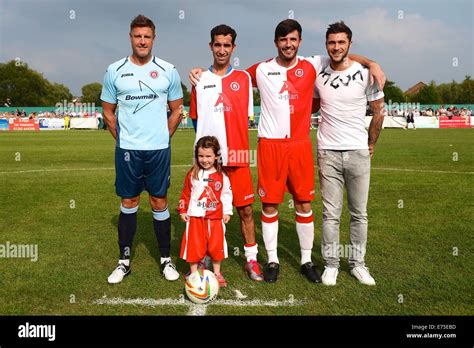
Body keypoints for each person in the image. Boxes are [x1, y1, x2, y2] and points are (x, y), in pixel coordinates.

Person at [190, 19, 385, 284]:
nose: (288, 44)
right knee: (269, 205)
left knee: (304, 203)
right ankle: (272, 260)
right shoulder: (259, 70)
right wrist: (200, 73)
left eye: (293, 39)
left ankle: (306, 260)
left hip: (300, 144)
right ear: (276, 43)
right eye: (283, 40)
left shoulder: (313, 64)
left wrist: (372, 63)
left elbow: (341, 54)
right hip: (270, 145)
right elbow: (224, 76)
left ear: (299, 42)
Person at [101, 14, 183, 284]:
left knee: (159, 201)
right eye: (138, 36)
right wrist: (124, 140)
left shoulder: (168, 70)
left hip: (158, 149)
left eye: (147, 36)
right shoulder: (115, 70)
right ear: (131, 38)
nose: (142, 41)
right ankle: (124, 262)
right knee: (129, 202)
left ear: (153, 38)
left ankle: (165, 260)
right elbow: (108, 113)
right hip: (128, 150)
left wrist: (163, 136)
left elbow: (177, 110)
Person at [188, 24, 264, 281]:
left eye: (227, 45)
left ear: (233, 48)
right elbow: (197, 121)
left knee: (245, 210)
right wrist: (204, 157)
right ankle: (204, 255)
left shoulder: (244, 79)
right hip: (208, 161)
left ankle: (251, 260)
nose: (222, 50)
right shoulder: (199, 80)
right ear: (211, 46)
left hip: (238, 156)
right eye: (217, 45)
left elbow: (246, 119)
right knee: (204, 210)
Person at [313, 21, 385, 286]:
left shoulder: (366, 73)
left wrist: (371, 143)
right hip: (328, 152)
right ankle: (331, 265)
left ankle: (358, 264)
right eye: (332, 42)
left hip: (357, 151)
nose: (336, 47)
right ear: (326, 45)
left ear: (350, 44)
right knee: (331, 214)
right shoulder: (318, 73)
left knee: (359, 213)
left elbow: (379, 111)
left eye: (341, 42)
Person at [178, 136, 233, 287]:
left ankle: (217, 273)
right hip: (195, 217)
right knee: (194, 246)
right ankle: (194, 273)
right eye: (201, 156)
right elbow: (186, 194)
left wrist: (227, 212)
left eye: (208, 156)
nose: (205, 160)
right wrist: (183, 210)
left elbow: (227, 195)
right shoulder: (193, 174)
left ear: (216, 156)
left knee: (216, 246)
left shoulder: (222, 176)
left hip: (215, 218)